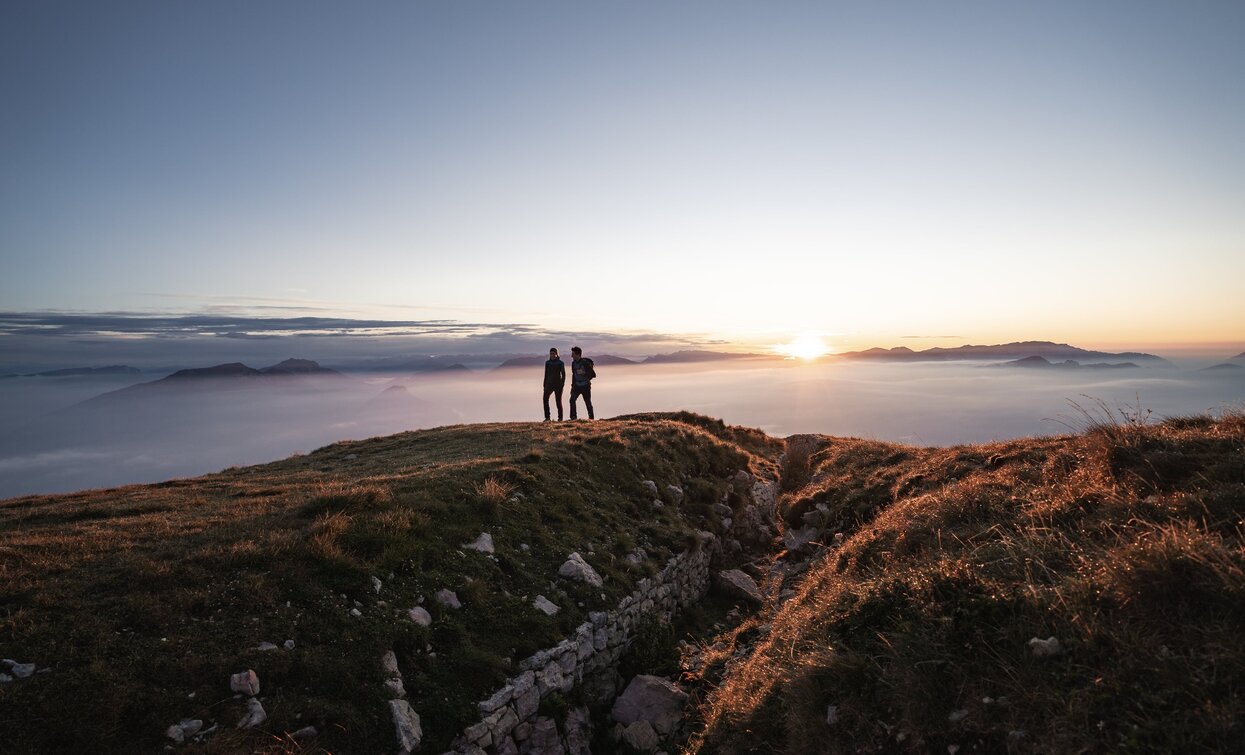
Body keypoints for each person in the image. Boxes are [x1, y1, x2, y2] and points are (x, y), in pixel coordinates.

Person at [569, 346, 596, 420]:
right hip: (576, 386)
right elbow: (573, 375)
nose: (571, 356)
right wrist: (572, 385)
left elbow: (593, 375)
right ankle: (573, 418)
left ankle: (591, 419)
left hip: (585, 386)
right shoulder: (573, 363)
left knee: (587, 402)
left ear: (578, 355)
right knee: (572, 400)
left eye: (573, 354)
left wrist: (584, 373)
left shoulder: (585, 363)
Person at [542, 348, 565, 421]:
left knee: (558, 402)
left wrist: (562, 384)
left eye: (553, 353)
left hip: (558, 385)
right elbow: (546, 374)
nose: (552, 355)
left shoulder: (560, 363)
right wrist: (544, 383)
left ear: (556, 354)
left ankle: (560, 418)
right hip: (549, 384)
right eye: (550, 353)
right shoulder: (547, 363)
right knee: (545, 399)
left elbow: (563, 374)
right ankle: (547, 417)